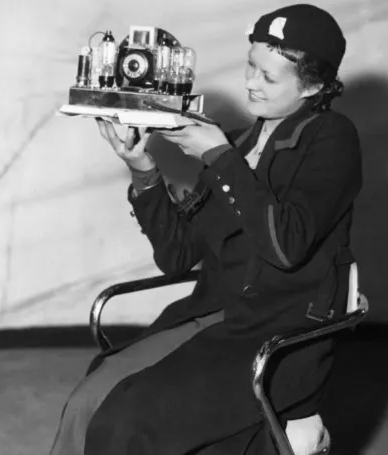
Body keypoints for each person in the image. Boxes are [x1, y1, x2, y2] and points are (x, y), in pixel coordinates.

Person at [50, 4, 363, 454]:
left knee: (129, 420)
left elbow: (286, 246)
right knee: (89, 400)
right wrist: (142, 169)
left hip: (279, 337)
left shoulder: (331, 137)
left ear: (313, 84)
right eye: (250, 67)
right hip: (214, 317)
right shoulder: (238, 142)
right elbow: (177, 255)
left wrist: (218, 157)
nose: (251, 83)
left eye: (269, 78)